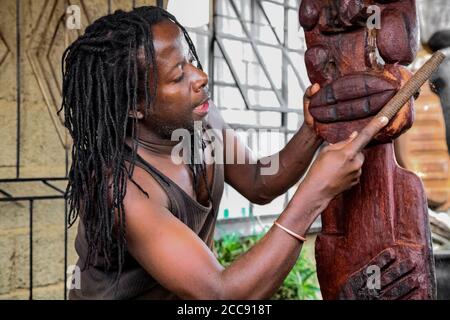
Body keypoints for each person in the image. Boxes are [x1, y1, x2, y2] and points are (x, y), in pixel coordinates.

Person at [60, 6, 389, 299]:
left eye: (189, 61)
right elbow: (221, 294)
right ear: (135, 107)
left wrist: (313, 128)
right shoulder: (121, 191)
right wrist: (316, 192)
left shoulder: (201, 118)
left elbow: (259, 181)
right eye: (178, 76)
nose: (201, 77)